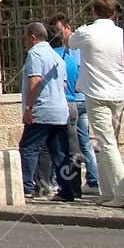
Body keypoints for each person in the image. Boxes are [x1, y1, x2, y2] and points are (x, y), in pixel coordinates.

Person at [74, 0, 124, 207]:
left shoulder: (87, 32)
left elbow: (70, 41)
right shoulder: (122, 34)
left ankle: (123, 193)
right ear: (114, 13)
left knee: (106, 144)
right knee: (109, 143)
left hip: (97, 95)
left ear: (94, 12)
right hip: (119, 94)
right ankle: (107, 192)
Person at [20, 21, 79, 202]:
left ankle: (26, 187)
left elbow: (35, 80)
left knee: (28, 147)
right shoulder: (56, 57)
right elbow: (63, 84)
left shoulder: (35, 53)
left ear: (32, 37)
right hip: (60, 109)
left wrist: (29, 108)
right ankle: (67, 190)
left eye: (26, 38)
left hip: (42, 109)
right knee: (60, 152)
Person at [47, 14, 100, 197]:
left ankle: (68, 183)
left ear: (68, 28)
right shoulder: (75, 52)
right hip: (80, 100)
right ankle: (89, 181)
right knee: (81, 145)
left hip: (72, 101)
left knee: (64, 147)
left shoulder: (64, 54)